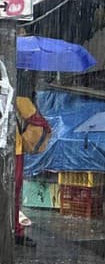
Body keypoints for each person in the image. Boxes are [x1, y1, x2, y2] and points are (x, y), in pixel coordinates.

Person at [13, 75, 51, 247]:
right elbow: (37, 120)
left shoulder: (17, 99)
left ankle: (15, 229)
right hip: (13, 151)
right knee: (13, 192)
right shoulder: (18, 98)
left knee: (12, 192)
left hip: (13, 150)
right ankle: (16, 230)